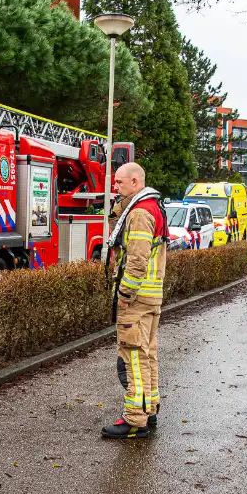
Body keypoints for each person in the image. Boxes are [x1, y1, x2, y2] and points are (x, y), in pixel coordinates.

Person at [102, 162, 168, 439]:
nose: (115, 188)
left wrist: (125, 294)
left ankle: (135, 420)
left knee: (133, 359)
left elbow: (137, 260)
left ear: (135, 182)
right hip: (150, 296)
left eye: (119, 183)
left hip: (137, 298)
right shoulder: (153, 207)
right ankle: (149, 409)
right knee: (147, 355)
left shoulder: (140, 212)